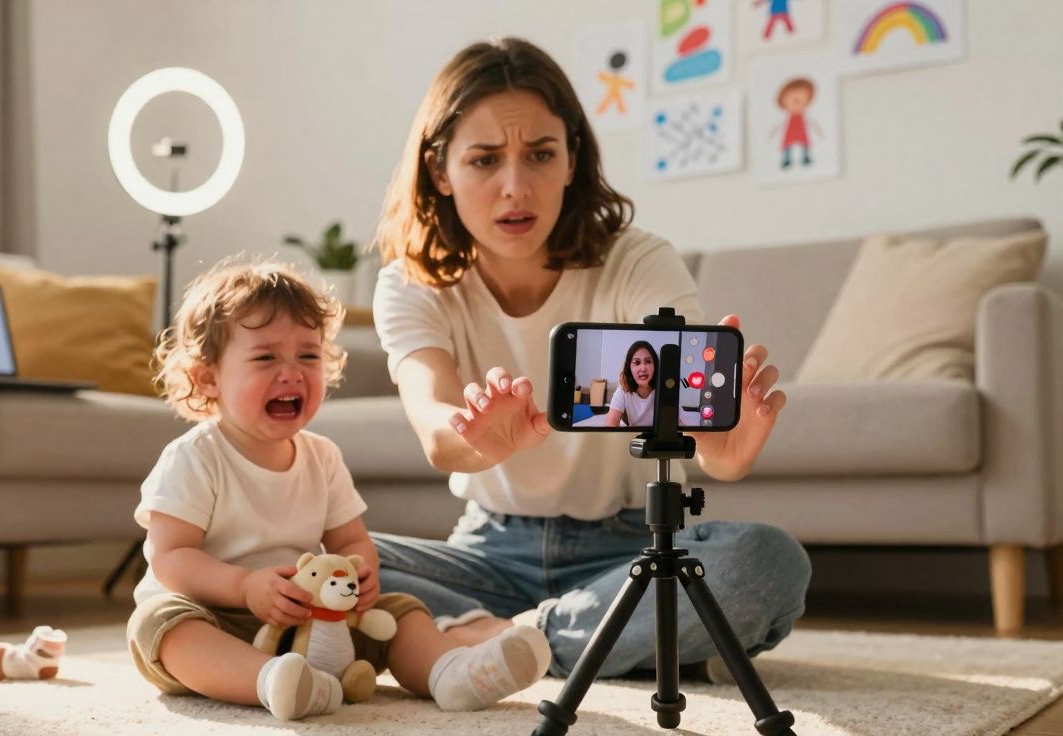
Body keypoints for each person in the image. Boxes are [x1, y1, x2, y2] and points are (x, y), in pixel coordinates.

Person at [370, 37, 810, 679]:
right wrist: (479, 438)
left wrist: (719, 449)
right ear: (440, 171)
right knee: (319, 557)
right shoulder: (410, 283)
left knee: (766, 563)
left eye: (540, 154)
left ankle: (516, 639)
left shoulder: (638, 260)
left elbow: (685, 408)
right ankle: (620, 639)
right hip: (489, 553)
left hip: (633, 546)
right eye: (485, 160)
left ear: (572, 159)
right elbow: (436, 428)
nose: (515, 188)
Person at [125, 258, 551, 721]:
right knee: (162, 627)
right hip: (216, 616)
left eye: (308, 356)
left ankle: (451, 672)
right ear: (208, 377)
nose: (291, 373)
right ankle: (272, 682)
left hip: (312, 621)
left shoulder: (322, 456)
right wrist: (244, 586)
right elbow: (170, 558)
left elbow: (349, 540)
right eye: (266, 357)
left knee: (402, 609)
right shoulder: (195, 457)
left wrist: (363, 574)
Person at [603, 340, 657, 428]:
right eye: (637, 362)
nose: (643, 368)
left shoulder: (663, 390)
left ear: (655, 366)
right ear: (629, 368)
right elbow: (610, 426)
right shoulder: (623, 390)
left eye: (648, 361)